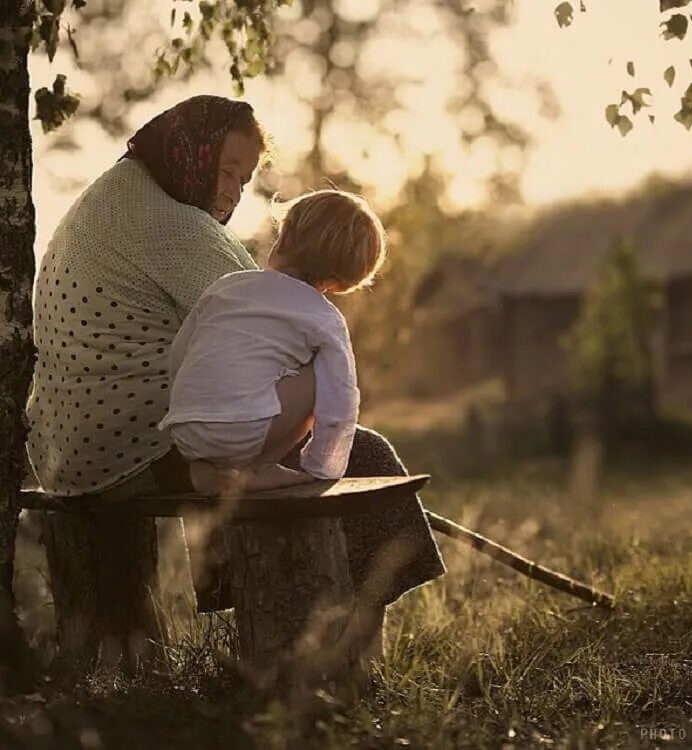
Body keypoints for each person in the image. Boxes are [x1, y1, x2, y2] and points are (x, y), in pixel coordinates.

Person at [26, 95, 445, 635]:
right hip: (130, 452)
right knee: (362, 453)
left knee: (235, 421)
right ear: (190, 151)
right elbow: (272, 338)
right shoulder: (177, 228)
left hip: (66, 449)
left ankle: (287, 615)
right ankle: (347, 647)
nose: (231, 191)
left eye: (244, 181)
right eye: (225, 170)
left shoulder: (116, 194)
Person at [161, 189, 387, 496]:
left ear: (284, 240)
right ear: (341, 281)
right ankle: (259, 467)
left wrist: (187, 407)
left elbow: (180, 354)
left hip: (185, 429)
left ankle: (205, 468)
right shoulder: (324, 317)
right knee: (319, 376)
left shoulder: (226, 287)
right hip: (243, 432)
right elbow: (340, 400)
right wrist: (322, 466)